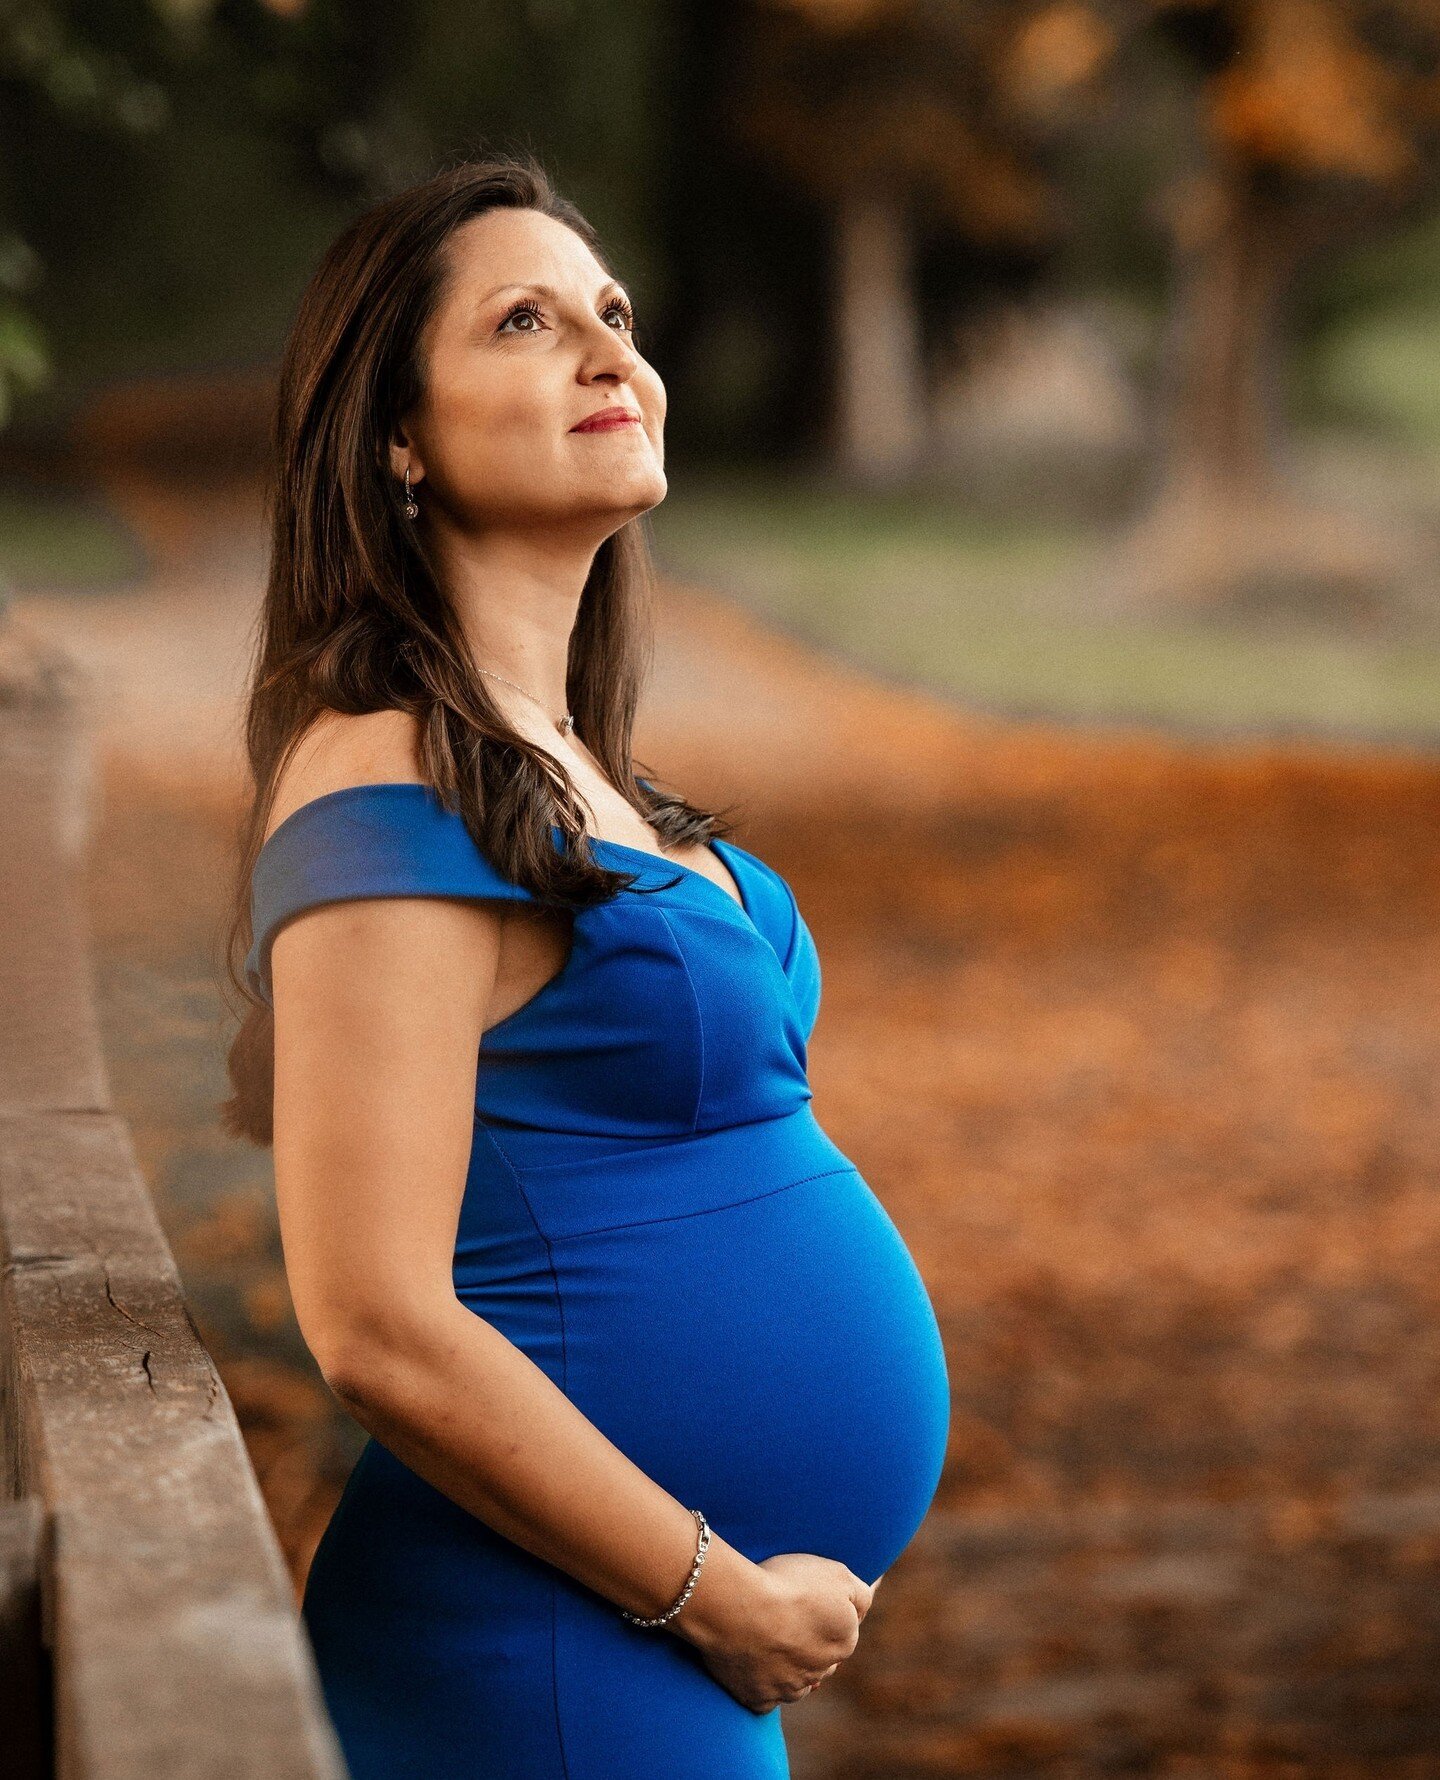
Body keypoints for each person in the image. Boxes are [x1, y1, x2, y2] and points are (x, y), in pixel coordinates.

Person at [221, 152, 951, 1780]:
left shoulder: (556, 763)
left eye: (614, 314)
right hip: (553, 1645)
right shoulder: (382, 774)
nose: (608, 352)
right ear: (397, 437)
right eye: (527, 322)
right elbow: (375, 1321)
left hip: (633, 1642)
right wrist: (713, 1596)